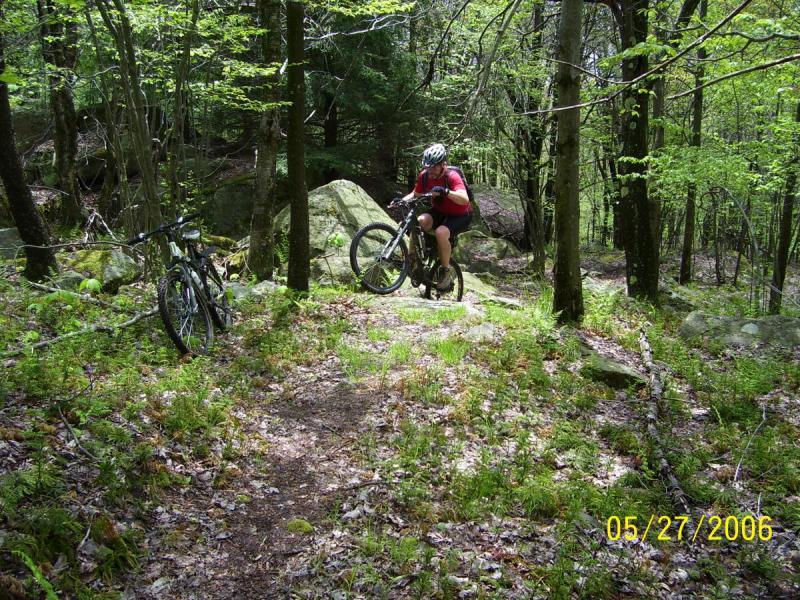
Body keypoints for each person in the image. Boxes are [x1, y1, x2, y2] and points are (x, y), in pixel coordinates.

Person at [401, 143, 472, 290]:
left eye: (434, 167)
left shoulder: (452, 176)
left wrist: (446, 191)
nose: (430, 170)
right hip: (440, 211)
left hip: (461, 215)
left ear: (443, 165)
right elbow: (416, 194)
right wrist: (401, 201)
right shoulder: (425, 176)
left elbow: (464, 199)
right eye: (428, 167)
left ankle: (445, 272)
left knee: (441, 232)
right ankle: (415, 262)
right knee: (419, 221)